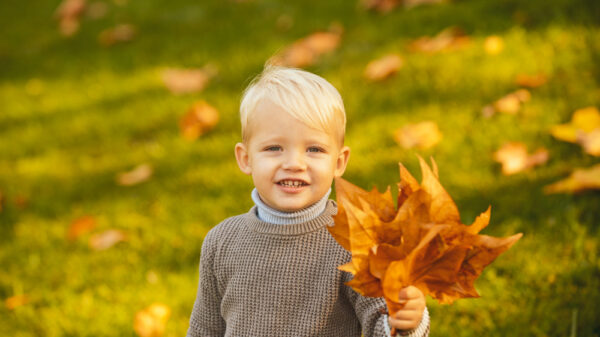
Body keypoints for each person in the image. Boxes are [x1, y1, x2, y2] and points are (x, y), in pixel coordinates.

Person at [187, 65, 430, 337]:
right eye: (274, 148)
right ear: (245, 159)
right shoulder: (221, 241)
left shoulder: (354, 241)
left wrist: (406, 321)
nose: (294, 163)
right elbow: (204, 329)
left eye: (314, 149)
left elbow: (381, 323)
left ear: (339, 162)